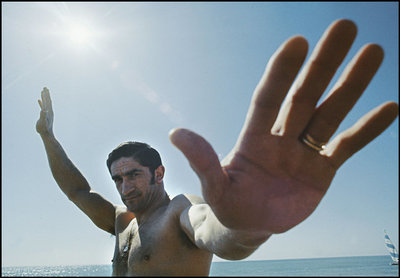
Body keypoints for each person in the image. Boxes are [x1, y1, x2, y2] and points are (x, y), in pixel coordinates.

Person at [36, 19, 398, 276]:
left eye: (133, 175)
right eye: (117, 179)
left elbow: (217, 234)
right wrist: (48, 137)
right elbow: (77, 190)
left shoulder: (181, 211)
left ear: (159, 173)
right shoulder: (121, 220)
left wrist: (248, 226)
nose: (125, 187)